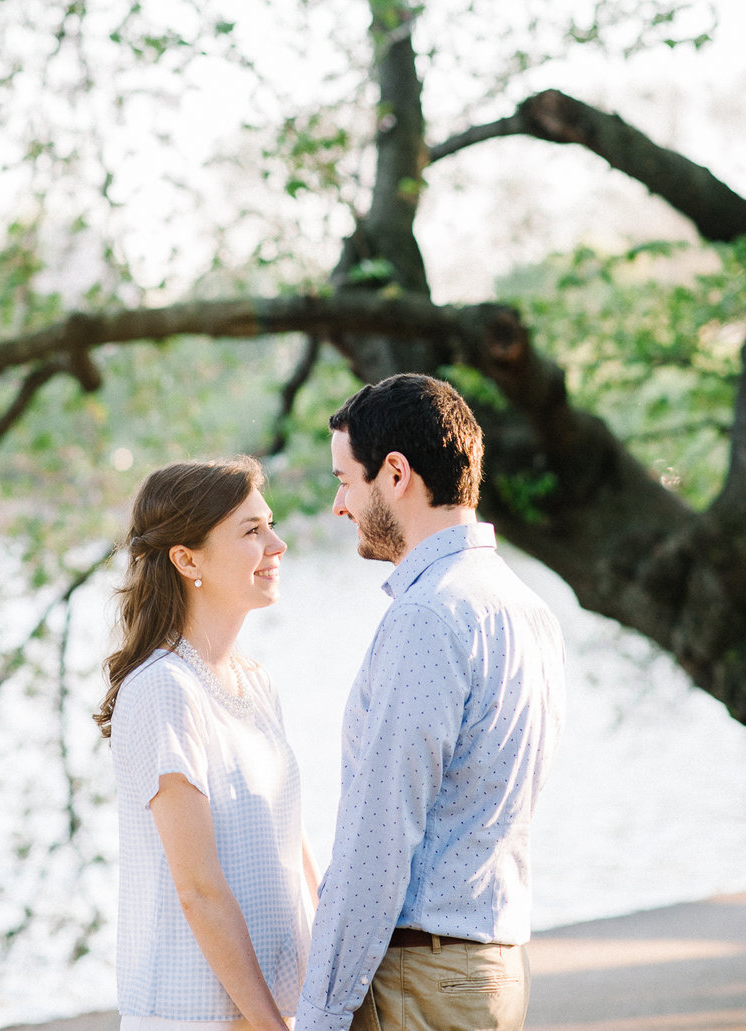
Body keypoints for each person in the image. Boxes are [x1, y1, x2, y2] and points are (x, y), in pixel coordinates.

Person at [296, 374, 567, 1031]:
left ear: (394, 473)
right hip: (488, 970)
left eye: (344, 479)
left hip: (420, 981)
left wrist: (321, 1013)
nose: (339, 504)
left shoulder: (430, 614)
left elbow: (379, 833)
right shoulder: (527, 608)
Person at [95, 456, 316, 1031]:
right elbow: (199, 889)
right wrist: (271, 1025)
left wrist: (326, 993)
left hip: (281, 1007)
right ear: (187, 558)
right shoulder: (163, 690)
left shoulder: (256, 682)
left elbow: (293, 851)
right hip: (199, 1016)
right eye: (251, 531)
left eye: (270, 524)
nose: (277, 544)